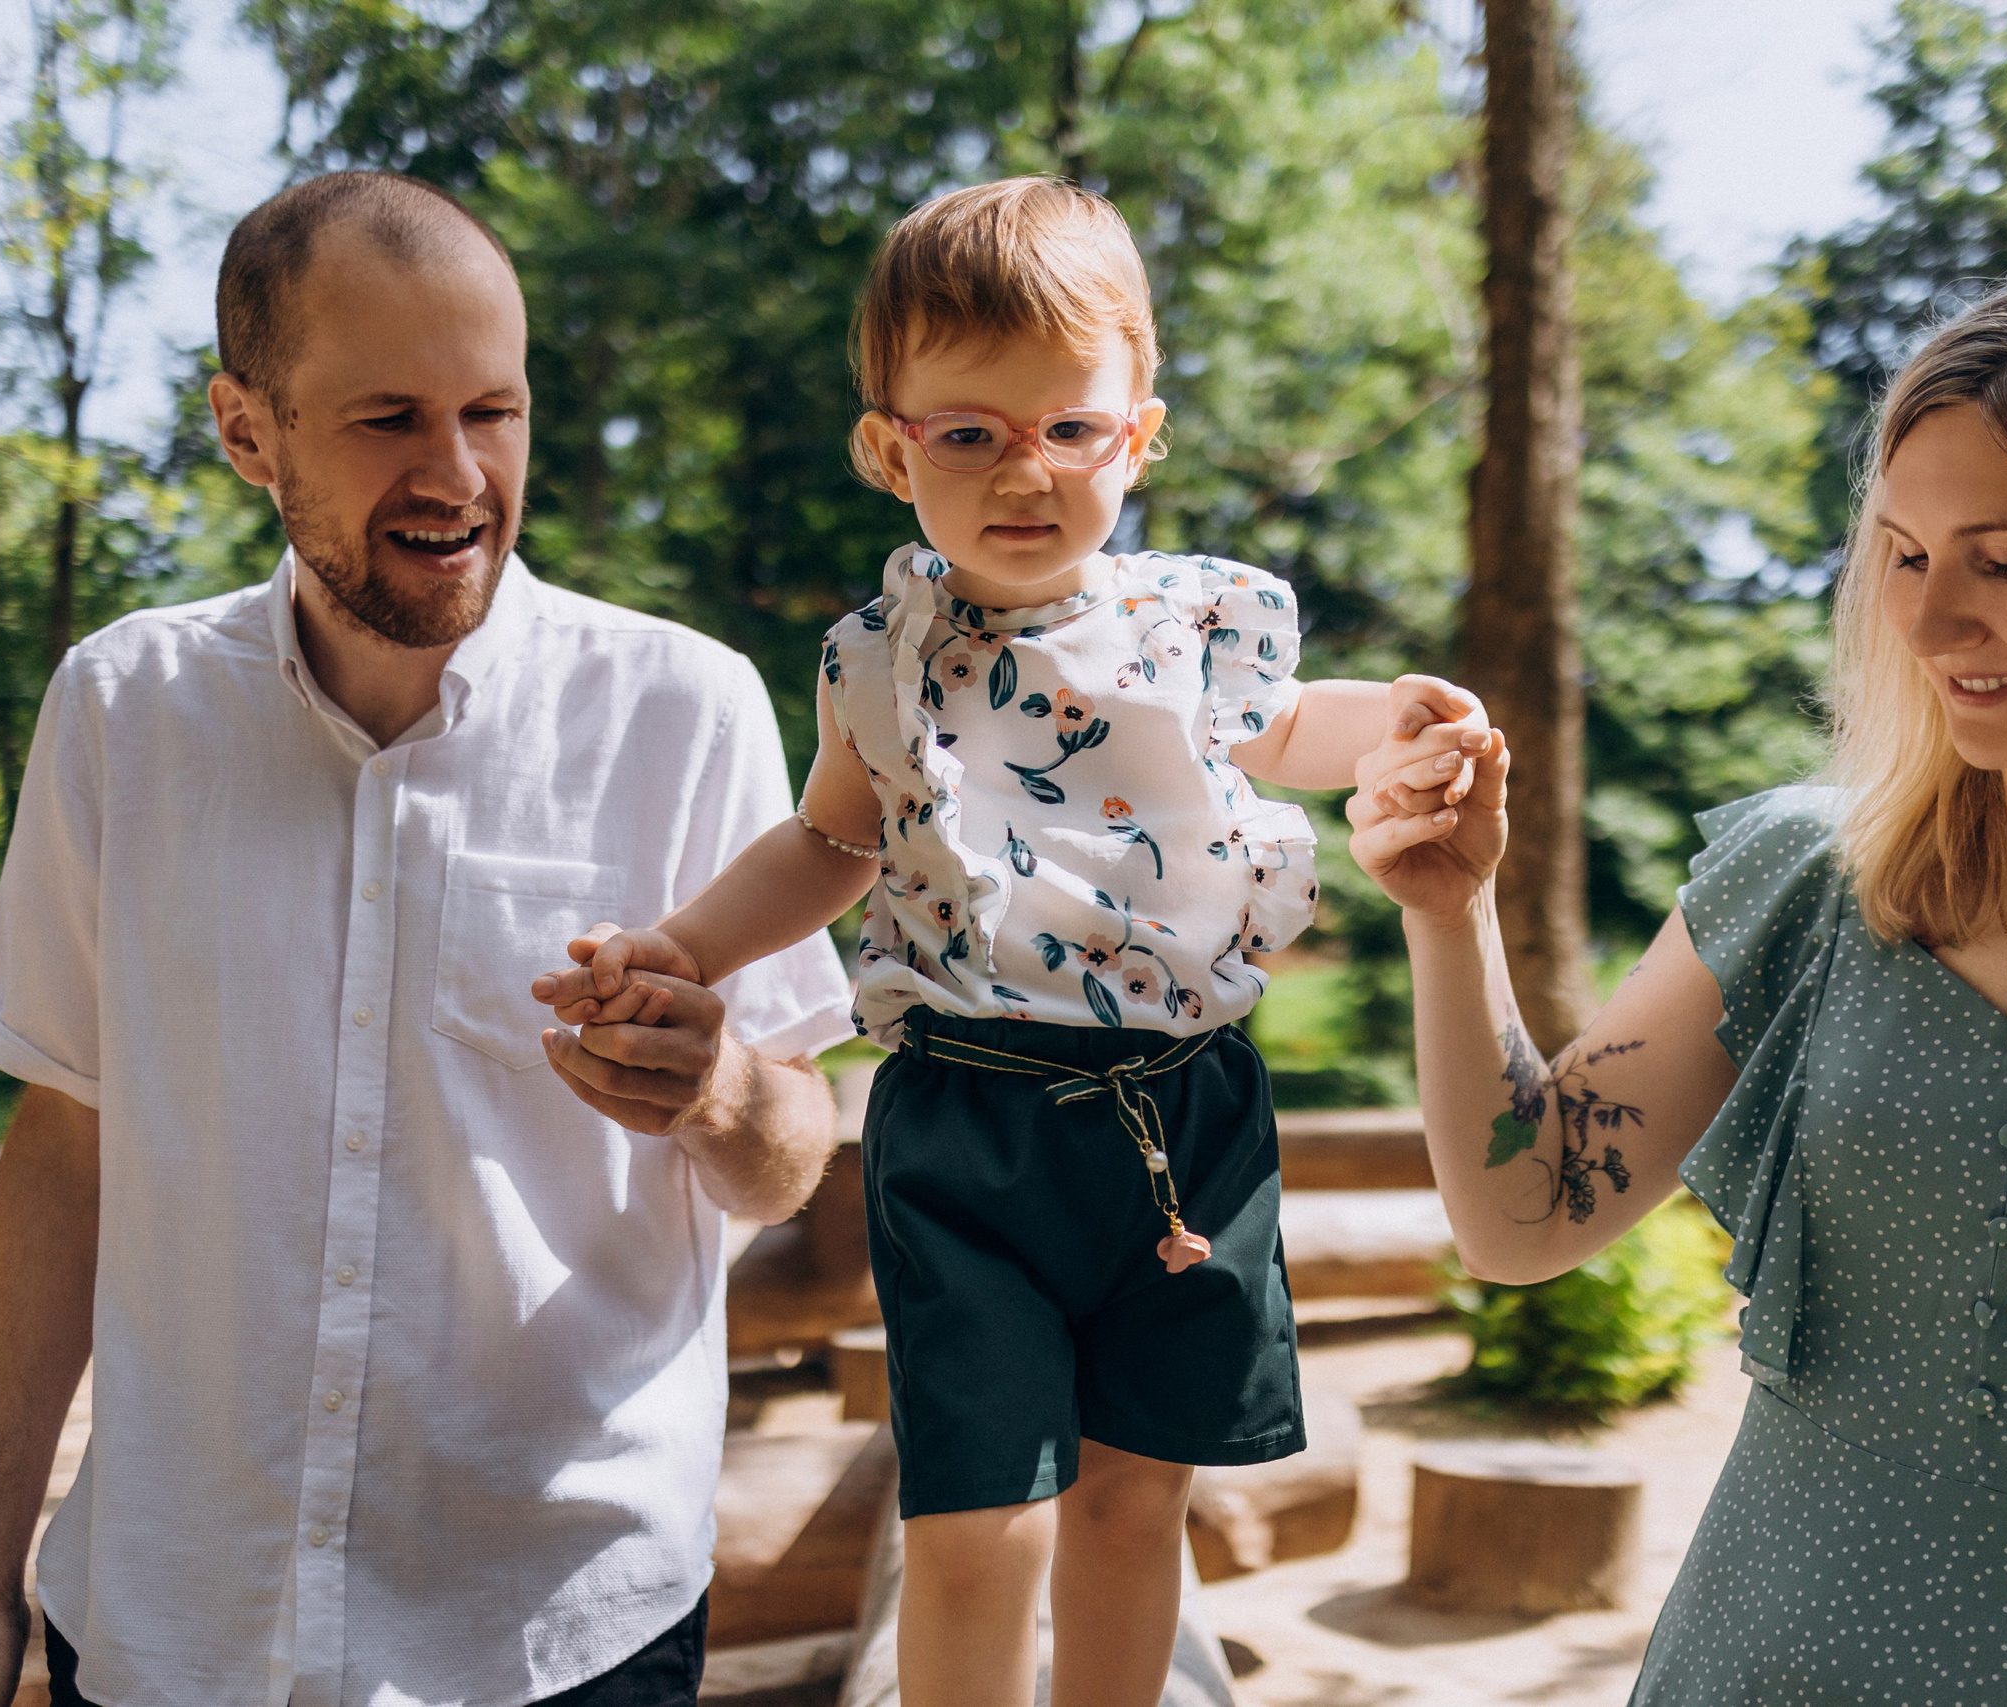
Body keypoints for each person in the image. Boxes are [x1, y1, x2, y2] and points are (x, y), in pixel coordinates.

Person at [1348, 271, 2007, 1702]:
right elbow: (1523, 1212)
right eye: (1903, 556)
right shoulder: (1807, 882)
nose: (1930, 619)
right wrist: (1450, 914)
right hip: (1765, 1669)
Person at [531, 176, 1484, 1707]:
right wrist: (682, 948)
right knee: (977, 1519)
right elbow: (831, 842)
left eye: (1070, 427)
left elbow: (1298, 729)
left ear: (1141, 436)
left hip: (1184, 1115)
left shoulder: (1198, 624)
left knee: (1134, 1501)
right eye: (968, 432)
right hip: (966, 1126)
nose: (1022, 471)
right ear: (888, 446)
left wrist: (1410, 723)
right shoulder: (876, 659)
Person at [0, 172, 855, 1707]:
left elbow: (785, 1154)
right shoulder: (120, 710)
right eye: (388, 419)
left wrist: (722, 1093)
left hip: (559, 1631)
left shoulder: (684, 710)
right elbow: (67, 1145)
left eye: (495, 410)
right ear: (246, 431)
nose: (458, 473)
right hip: (171, 1622)